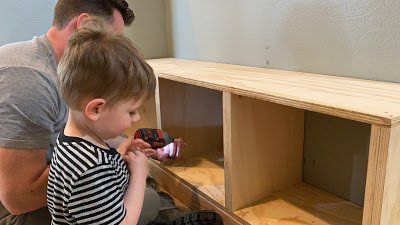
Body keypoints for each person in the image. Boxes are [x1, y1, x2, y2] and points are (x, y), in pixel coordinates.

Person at [0, 1, 223, 224]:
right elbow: (18, 200)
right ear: (85, 27)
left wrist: (121, 151)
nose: (135, 119)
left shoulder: (75, 88)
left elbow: (87, 142)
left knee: (146, 193)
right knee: (148, 199)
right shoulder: (27, 80)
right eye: (113, 40)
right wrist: (133, 174)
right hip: (20, 212)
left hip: (75, 190)